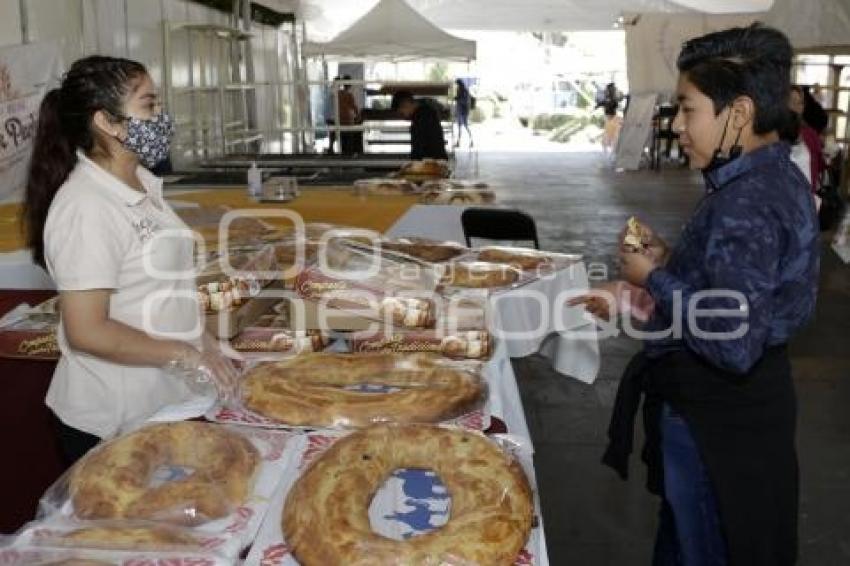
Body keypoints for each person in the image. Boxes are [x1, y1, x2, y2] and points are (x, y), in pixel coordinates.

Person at [572, 24, 818, 566]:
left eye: (688, 110)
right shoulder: (772, 176)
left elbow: (732, 340)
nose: (678, 127)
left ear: (740, 112)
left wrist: (652, 279)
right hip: (740, 414)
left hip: (718, 421)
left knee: (703, 545)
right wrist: (672, 261)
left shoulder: (744, 202)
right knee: (693, 540)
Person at [23, 56, 237, 465]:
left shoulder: (141, 185)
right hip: (113, 420)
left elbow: (164, 286)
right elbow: (87, 330)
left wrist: (205, 344)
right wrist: (186, 355)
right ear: (108, 122)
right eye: (149, 105)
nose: (161, 117)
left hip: (165, 402)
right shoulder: (86, 205)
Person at [390, 90, 448, 160]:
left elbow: (419, 146)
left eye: (402, 113)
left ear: (406, 104)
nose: (403, 117)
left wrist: (414, 164)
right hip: (436, 161)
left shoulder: (420, 117)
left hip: (430, 163)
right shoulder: (426, 112)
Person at [788, 85, 825, 193]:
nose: (796, 107)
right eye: (792, 101)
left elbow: (818, 165)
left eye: (800, 103)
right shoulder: (773, 134)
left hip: (806, 197)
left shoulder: (810, 134)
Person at [337, 75, 363, 155]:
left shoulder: (338, 93)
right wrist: (358, 116)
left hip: (340, 118)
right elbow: (354, 107)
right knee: (349, 137)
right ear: (350, 84)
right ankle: (349, 155)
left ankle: (343, 154)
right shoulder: (349, 95)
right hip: (348, 118)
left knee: (343, 137)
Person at [596, 82, 623, 154]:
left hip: (611, 116)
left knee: (611, 133)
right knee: (610, 133)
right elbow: (602, 103)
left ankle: (611, 149)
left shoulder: (612, 98)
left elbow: (616, 102)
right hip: (609, 116)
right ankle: (609, 148)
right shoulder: (609, 97)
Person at [453, 79, 474, 149]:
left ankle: (471, 141)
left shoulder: (463, 91)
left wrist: (457, 99)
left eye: (457, 84)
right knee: (460, 127)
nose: (456, 86)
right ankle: (459, 142)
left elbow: (464, 101)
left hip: (463, 111)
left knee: (464, 126)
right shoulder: (463, 90)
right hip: (462, 111)